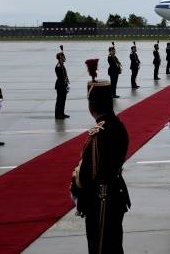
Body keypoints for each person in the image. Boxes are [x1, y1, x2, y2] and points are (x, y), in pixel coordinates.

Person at [71, 81, 131, 254]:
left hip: (102, 200)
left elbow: (86, 174)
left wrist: (75, 181)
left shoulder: (99, 133)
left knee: (100, 247)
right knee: (113, 245)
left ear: (93, 105)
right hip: (114, 194)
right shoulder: (117, 125)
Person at [55, 51, 70, 119]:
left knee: (63, 100)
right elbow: (61, 76)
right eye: (63, 57)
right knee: (59, 100)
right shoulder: (59, 66)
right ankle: (58, 115)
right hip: (60, 85)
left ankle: (62, 113)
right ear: (60, 58)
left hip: (63, 84)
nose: (65, 58)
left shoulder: (61, 65)